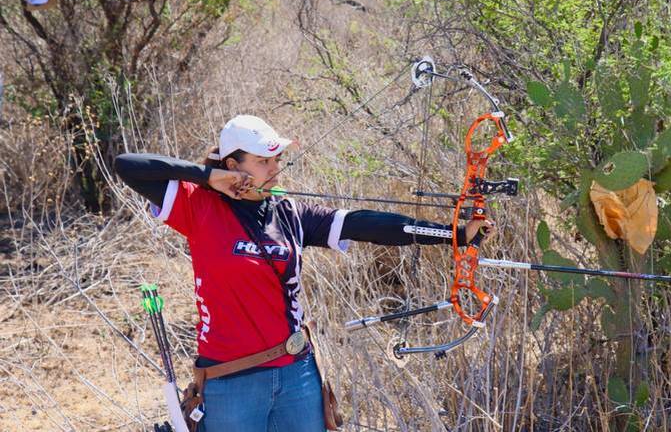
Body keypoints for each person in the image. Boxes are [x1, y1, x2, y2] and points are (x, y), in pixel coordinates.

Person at [114, 115, 493, 432]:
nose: (275, 169)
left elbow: (363, 224)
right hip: (231, 382)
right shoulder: (197, 207)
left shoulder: (290, 214)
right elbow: (127, 165)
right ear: (234, 166)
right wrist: (206, 177)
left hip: (297, 374)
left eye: (276, 160)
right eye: (264, 161)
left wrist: (454, 234)